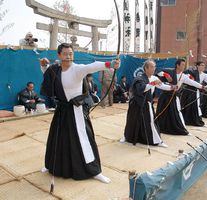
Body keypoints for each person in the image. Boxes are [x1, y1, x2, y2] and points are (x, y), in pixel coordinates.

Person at [39, 43, 120, 183]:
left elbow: (92, 67)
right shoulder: (55, 69)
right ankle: (52, 165)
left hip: (76, 110)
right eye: (65, 54)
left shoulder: (77, 69)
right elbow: (48, 73)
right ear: (59, 55)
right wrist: (43, 65)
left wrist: (110, 63)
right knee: (57, 138)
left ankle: (94, 171)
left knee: (83, 139)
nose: (69, 56)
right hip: (62, 110)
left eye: (71, 53)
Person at [123, 60, 174, 147]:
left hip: (147, 103)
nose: (154, 69)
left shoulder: (154, 78)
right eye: (152, 67)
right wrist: (153, 83)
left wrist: (172, 87)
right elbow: (142, 89)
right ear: (146, 68)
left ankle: (157, 141)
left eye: (154, 67)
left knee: (150, 122)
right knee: (132, 121)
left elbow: (162, 86)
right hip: (137, 103)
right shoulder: (139, 78)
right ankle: (127, 137)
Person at [156, 58, 206, 135]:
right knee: (163, 113)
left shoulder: (183, 76)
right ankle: (161, 128)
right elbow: (157, 71)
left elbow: (192, 82)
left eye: (184, 64)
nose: (184, 66)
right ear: (177, 65)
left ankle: (182, 128)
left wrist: (202, 87)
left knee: (177, 112)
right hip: (165, 96)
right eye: (182, 64)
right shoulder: (169, 71)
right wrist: (166, 75)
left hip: (174, 97)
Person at [181, 61, 207, 127]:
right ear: (197, 66)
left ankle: (196, 121)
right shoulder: (191, 72)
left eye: (204, 65)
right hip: (188, 92)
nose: (203, 66)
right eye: (201, 65)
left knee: (196, 106)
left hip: (196, 92)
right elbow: (188, 80)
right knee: (186, 105)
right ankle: (185, 120)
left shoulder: (204, 75)